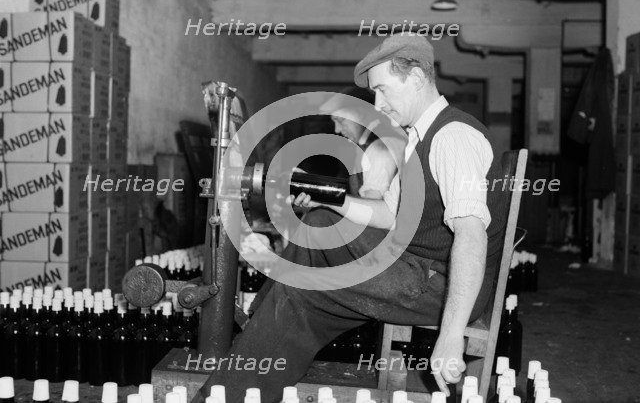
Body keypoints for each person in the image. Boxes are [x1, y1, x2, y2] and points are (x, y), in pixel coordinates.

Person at [193, 34, 508, 403]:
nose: (377, 104)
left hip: (437, 282)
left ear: (418, 78)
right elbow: (389, 214)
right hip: (416, 268)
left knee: (302, 289)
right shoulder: (415, 140)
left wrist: (451, 335)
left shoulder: (452, 137)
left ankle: (224, 394)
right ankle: (254, 341)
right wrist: (334, 201)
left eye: (383, 90)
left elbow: (472, 236)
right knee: (320, 224)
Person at [320, 86, 405, 199]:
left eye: (341, 120)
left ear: (363, 114)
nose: (337, 130)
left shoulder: (379, 148)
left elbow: (371, 207)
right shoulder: (365, 144)